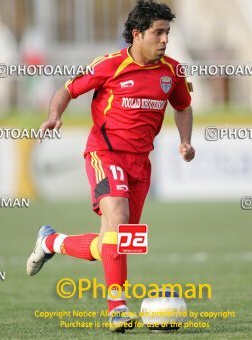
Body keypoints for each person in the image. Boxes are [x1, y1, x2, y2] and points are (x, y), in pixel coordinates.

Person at [26, 0, 195, 332]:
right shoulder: (109, 65)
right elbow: (66, 90)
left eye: (167, 33)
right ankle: (117, 307)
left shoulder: (172, 71)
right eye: (158, 33)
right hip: (105, 154)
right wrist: (54, 116)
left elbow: (183, 106)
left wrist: (185, 141)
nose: (164, 40)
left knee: (113, 243)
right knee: (117, 220)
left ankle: (51, 242)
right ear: (137, 34)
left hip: (141, 164)